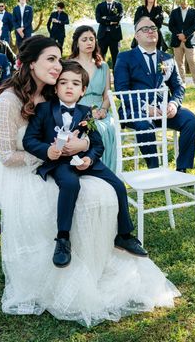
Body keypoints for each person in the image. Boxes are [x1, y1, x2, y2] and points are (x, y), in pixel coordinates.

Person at [0, 35, 179, 325]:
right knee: (77, 196)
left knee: (104, 191)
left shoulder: (55, 91)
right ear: (29, 63)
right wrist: (50, 155)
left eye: (57, 58)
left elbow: (79, 126)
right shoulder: (8, 100)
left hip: (64, 160)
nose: (57, 66)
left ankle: (100, 260)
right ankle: (64, 259)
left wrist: (84, 145)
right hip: (20, 169)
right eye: (50, 59)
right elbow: (5, 156)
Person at [24, 60, 146, 268]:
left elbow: (97, 143)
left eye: (75, 83)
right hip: (59, 162)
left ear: (83, 90)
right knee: (71, 184)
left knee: (117, 184)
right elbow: (29, 140)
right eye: (63, 83)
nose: (69, 87)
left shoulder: (85, 111)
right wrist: (47, 151)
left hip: (84, 160)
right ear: (56, 87)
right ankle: (63, 239)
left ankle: (124, 234)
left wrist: (89, 157)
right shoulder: (44, 109)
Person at [114, 16, 195, 172]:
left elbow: (179, 86)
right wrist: (146, 107)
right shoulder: (124, 57)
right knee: (144, 124)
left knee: (190, 120)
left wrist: (173, 104)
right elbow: (122, 91)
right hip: (136, 110)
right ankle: (155, 169)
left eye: (153, 28)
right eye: (145, 29)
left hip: (163, 110)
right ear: (136, 35)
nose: (150, 31)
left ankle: (182, 169)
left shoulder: (167, 58)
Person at [68, 25, 116, 172]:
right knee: (96, 130)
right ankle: (91, 167)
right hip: (78, 109)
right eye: (84, 39)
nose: (89, 42)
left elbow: (107, 93)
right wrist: (87, 113)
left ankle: (110, 170)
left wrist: (103, 109)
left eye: (91, 39)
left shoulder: (103, 66)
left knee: (110, 127)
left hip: (101, 109)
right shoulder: (69, 65)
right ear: (77, 42)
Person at [168, 0, 195, 89]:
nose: (183, 2)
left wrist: (185, 35)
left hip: (189, 41)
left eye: (185, 0)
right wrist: (179, 35)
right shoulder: (174, 12)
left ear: (188, 0)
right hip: (177, 40)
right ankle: (182, 82)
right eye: (181, 0)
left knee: (192, 61)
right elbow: (171, 26)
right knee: (179, 63)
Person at [95, 0, 123, 68]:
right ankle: (101, 77)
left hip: (115, 36)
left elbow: (118, 18)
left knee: (116, 58)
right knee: (100, 58)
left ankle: (117, 78)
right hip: (102, 36)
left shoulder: (119, 5)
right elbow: (98, 19)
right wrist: (111, 21)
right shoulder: (100, 6)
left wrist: (106, 18)